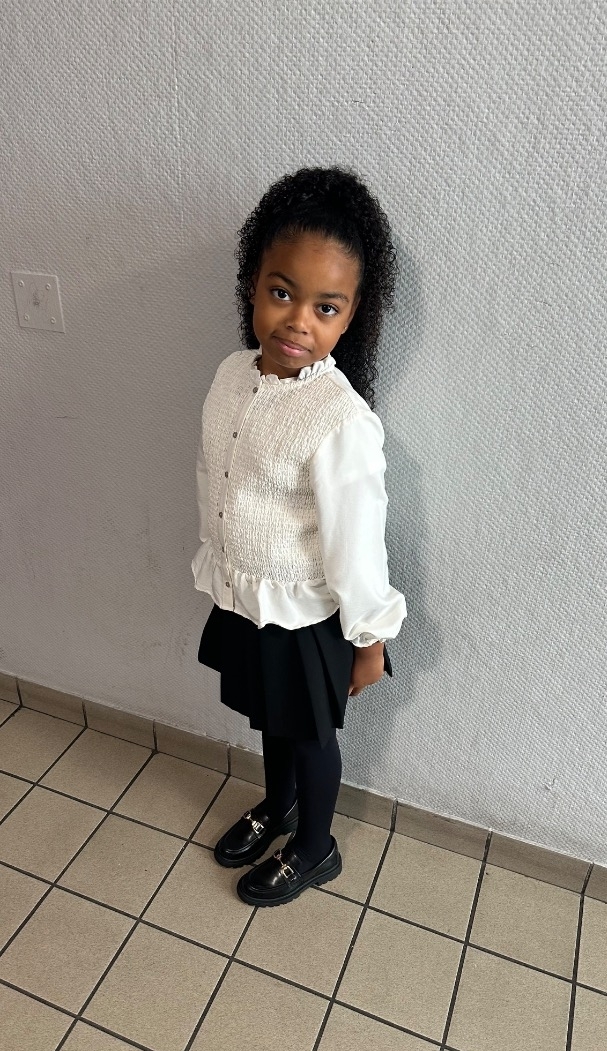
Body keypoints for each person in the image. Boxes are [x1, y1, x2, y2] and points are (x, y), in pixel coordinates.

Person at [192, 165, 407, 907]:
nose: (297, 321)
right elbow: (216, 475)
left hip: (311, 616)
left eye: (326, 307)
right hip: (248, 595)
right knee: (271, 720)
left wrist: (369, 641)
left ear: (350, 319)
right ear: (253, 285)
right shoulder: (231, 375)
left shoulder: (339, 420)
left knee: (311, 737)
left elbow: (358, 542)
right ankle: (277, 807)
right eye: (282, 293)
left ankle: (315, 847)